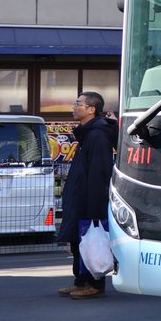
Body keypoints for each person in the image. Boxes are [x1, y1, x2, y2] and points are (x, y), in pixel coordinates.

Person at [55, 91, 118, 299]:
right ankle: (80, 281)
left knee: (91, 239)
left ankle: (95, 284)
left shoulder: (97, 135)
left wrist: (96, 207)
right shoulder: (88, 133)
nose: (74, 107)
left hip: (89, 200)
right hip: (80, 197)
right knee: (78, 240)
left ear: (91, 109)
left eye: (78, 103)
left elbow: (100, 173)